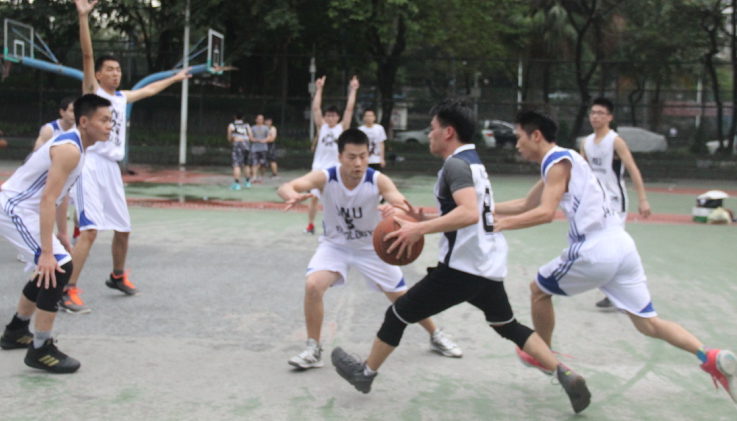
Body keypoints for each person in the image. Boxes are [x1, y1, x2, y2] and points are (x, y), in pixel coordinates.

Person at [330, 99, 591, 414]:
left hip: (460, 269)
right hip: (487, 265)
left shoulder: (455, 165)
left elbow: (468, 213)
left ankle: (365, 374)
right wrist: (423, 218)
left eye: (433, 128)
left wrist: (418, 229)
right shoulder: (474, 162)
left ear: (448, 132)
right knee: (508, 325)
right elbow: (468, 212)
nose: (429, 134)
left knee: (398, 314)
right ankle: (564, 372)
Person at [493, 109, 735, 405]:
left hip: (594, 249)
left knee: (538, 290)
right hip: (622, 246)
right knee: (649, 324)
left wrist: (501, 225)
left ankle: (542, 355)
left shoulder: (556, 163)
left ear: (536, 135)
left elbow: (545, 213)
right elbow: (525, 204)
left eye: (519, 136)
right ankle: (710, 355)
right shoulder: (565, 159)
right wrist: (484, 208)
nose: (516, 143)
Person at [278, 128, 462, 370]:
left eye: (363, 156)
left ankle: (435, 335)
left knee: (403, 298)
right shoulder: (326, 177)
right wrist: (290, 195)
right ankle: (313, 349)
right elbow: (288, 186)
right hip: (335, 246)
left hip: (372, 248)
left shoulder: (377, 180)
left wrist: (394, 209)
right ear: (340, 157)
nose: (358, 163)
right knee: (313, 286)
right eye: (352, 157)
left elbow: (400, 202)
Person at [60, 0, 191, 314]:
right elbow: (87, 55)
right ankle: (67, 289)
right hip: (90, 165)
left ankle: (117, 275)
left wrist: (175, 78)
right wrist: (83, 17)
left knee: (123, 227)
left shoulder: (121, 98)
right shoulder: (92, 93)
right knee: (90, 230)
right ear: (99, 74)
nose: (116, 73)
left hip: (111, 169)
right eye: (110, 69)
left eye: (118, 69)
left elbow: (149, 89)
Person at [0, 93, 112, 373]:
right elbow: (47, 199)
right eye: (104, 120)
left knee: (52, 267)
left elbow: (61, 194)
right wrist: (47, 252)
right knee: (58, 267)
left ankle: (16, 331)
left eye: (111, 121)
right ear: (84, 121)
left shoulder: (79, 147)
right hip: (15, 210)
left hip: (27, 211)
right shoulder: (70, 149)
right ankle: (40, 348)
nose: (110, 126)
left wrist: (61, 233)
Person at [580, 97, 651, 310]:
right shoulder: (586, 143)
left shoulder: (615, 141)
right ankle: (617, 291)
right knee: (598, 246)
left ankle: (627, 292)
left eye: (600, 113)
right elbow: (582, 174)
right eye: (593, 112)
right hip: (595, 203)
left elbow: (633, 169)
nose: (595, 116)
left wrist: (643, 199)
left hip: (615, 203)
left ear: (609, 117)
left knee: (613, 246)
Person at [304, 75, 359, 235]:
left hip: (335, 168)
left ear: (338, 117)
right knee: (314, 197)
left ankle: (340, 226)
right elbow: (316, 108)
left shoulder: (342, 127)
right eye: (328, 115)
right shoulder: (322, 126)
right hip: (318, 167)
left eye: (333, 115)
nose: (330, 118)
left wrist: (353, 90)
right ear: (325, 117)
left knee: (337, 199)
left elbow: (349, 109)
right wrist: (319, 88)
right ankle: (310, 225)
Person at [228, 112, 254, 190]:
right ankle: (247, 182)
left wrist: (233, 140)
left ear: (234, 117)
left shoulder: (232, 125)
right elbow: (251, 137)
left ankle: (236, 184)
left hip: (237, 144)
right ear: (243, 117)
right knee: (246, 164)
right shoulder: (247, 125)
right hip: (246, 144)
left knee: (236, 164)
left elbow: (229, 138)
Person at [250, 114, 270, 183]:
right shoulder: (253, 128)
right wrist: (256, 140)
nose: (260, 120)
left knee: (263, 164)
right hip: (255, 148)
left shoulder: (266, 128)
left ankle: (261, 176)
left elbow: (268, 137)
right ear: (256, 120)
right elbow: (251, 137)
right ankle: (254, 177)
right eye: (258, 119)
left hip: (263, 148)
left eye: (261, 119)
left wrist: (264, 140)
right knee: (254, 163)